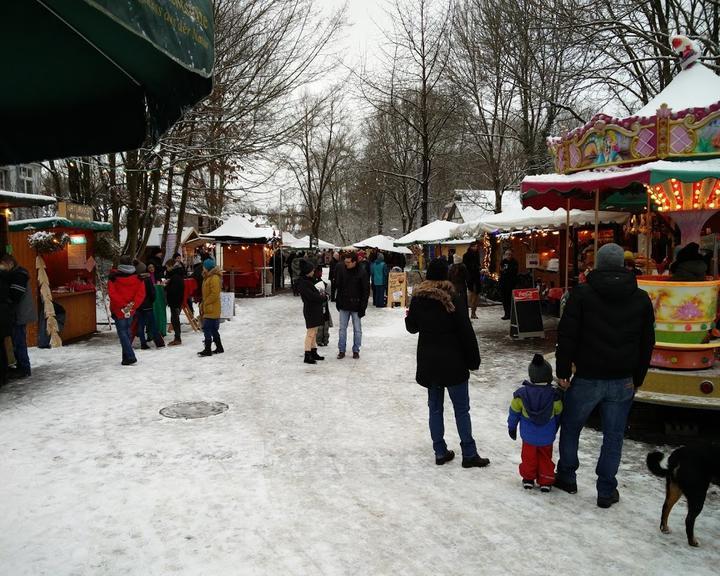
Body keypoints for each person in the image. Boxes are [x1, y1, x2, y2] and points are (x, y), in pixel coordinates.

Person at [554, 242, 655, 508]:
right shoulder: (641, 298)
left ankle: (566, 475)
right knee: (613, 435)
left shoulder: (582, 294)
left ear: (597, 264)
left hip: (587, 375)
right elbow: (647, 343)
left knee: (571, 426)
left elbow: (567, 336)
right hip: (622, 379)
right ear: (624, 264)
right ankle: (606, 489)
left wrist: (563, 371)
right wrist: (639, 377)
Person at [405, 258, 489, 468]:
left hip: (429, 362)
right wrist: (473, 359)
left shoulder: (418, 298)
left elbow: (412, 327)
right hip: (454, 361)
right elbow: (465, 331)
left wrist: (410, 316)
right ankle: (469, 454)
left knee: (435, 408)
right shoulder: (453, 298)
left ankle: (440, 451)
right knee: (461, 409)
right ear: (446, 276)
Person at [508, 354, 563, 492]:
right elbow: (558, 412)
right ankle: (545, 481)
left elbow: (514, 412)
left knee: (528, 458)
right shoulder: (554, 396)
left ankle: (528, 479)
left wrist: (512, 427)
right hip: (546, 436)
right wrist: (555, 427)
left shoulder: (521, 395)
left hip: (529, 437)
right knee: (545, 458)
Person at [0, 253, 34, 378]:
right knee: (17, 341)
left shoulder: (19, 275)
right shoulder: (18, 274)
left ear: (9, 263)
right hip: (18, 313)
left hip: (19, 314)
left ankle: (24, 368)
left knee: (19, 341)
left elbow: (15, 295)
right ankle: (22, 366)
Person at [108, 255, 146, 366]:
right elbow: (141, 294)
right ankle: (126, 358)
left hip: (118, 308)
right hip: (131, 309)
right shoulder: (138, 278)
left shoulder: (113, 277)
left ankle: (130, 356)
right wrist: (131, 306)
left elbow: (112, 293)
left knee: (122, 332)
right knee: (127, 331)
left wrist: (123, 305)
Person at [335, 252, 369, 359]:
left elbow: (365, 291)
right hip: (344, 305)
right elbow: (338, 287)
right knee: (342, 329)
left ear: (354, 262)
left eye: (348, 262)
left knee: (357, 330)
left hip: (357, 305)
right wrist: (338, 301)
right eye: (345, 262)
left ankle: (356, 350)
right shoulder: (342, 270)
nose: (346, 264)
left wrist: (363, 307)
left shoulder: (362, 272)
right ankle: (341, 350)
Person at [297, 260, 326, 364]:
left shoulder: (308, 280)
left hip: (314, 309)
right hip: (310, 310)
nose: (314, 272)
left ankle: (313, 352)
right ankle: (307, 354)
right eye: (312, 270)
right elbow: (311, 296)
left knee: (314, 332)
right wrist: (322, 297)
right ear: (307, 271)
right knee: (310, 333)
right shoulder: (303, 283)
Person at [134, 263, 165, 350]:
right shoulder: (147, 279)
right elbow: (152, 292)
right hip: (148, 305)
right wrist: (151, 301)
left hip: (139, 305)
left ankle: (143, 343)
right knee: (152, 324)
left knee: (141, 324)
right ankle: (158, 342)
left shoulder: (136, 279)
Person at [198, 258, 223, 357]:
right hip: (210, 307)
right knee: (213, 329)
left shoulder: (214, 278)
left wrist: (205, 303)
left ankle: (208, 349)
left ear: (207, 267)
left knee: (207, 328)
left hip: (212, 308)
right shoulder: (208, 277)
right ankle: (219, 347)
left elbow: (215, 294)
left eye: (204, 266)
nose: (202, 268)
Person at [165, 261, 185, 346]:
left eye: (167, 267)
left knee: (175, 320)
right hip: (176, 301)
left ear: (171, 267)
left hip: (175, 301)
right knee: (174, 319)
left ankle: (177, 338)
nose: (167, 269)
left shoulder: (176, 277)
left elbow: (173, 290)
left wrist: (166, 287)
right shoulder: (177, 276)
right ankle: (177, 338)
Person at [313, 265, 332, 347]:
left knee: (325, 324)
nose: (321, 273)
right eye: (320, 272)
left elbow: (328, 293)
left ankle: (325, 340)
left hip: (324, 306)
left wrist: (327, 296)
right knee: (320, 326)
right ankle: (320, 340)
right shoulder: (313, 282)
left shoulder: (323, 282)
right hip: (318, 307)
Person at [462, 243, 482, 319]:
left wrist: (479, 268)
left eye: (477, 246)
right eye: (475, 246)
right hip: (470, 278)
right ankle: (471, 312)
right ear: (471, 247)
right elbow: (466, 267)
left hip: (476, 277)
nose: (476, 248)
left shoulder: (477, 254)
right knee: (471, 295)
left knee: (476, 295)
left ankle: (473, 312)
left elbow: (477, 265)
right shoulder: (466, 255)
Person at [499, 249, 519, 320]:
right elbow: (501, 270)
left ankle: (512, 314)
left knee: (510, 300)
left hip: (511, 284)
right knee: (504, 300)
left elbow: (513, 272)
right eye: (507, 254)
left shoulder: (514, 262)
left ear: (512, 255)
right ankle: (506, 314)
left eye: (509, 254)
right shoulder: (503, 262)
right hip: (503, 283)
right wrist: (505, 271)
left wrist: (506, 271)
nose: (508, 255)